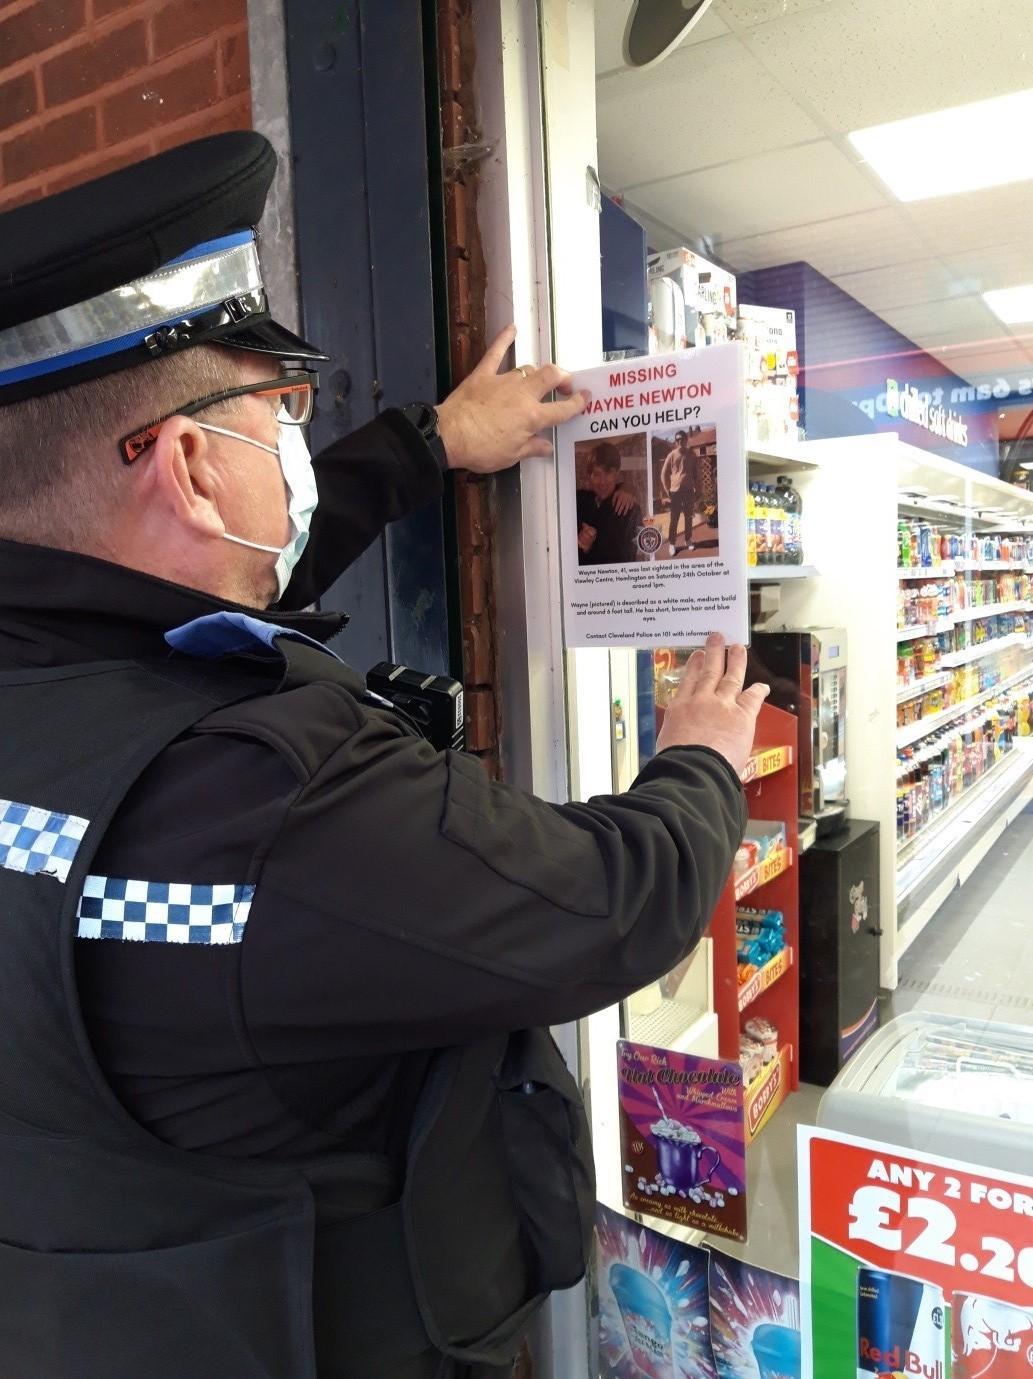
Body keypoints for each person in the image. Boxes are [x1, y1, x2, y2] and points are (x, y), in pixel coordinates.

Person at [0, 132, 768, 1379]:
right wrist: (698, 762)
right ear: (193, 465)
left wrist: (426, 443)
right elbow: (607, 910)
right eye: (281, 411)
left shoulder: (52, 660)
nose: (297, 447)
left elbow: (183, 588)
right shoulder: (264, 800)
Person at [575, 441, 643, 564]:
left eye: (608, 473)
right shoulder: (578, 500)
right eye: (596, 474)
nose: (602, 482)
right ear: (589, 476)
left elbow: (629, 559)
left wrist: (590, 547)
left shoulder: (631, 509)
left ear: (617, 474)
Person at [660, 429, 699, 556]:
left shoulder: (692, 455)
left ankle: (688, 540)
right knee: (674, 519)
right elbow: (663, 474)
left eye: (682, 438)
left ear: (686, 439)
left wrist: (697, 489)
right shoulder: (671, 455)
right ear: (676, 441)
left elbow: (696, 474)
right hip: (675, 492)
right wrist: (667, 491)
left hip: (688, 491)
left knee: (688, 517)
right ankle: (672, 544)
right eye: (677, 439)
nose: (680, 441)